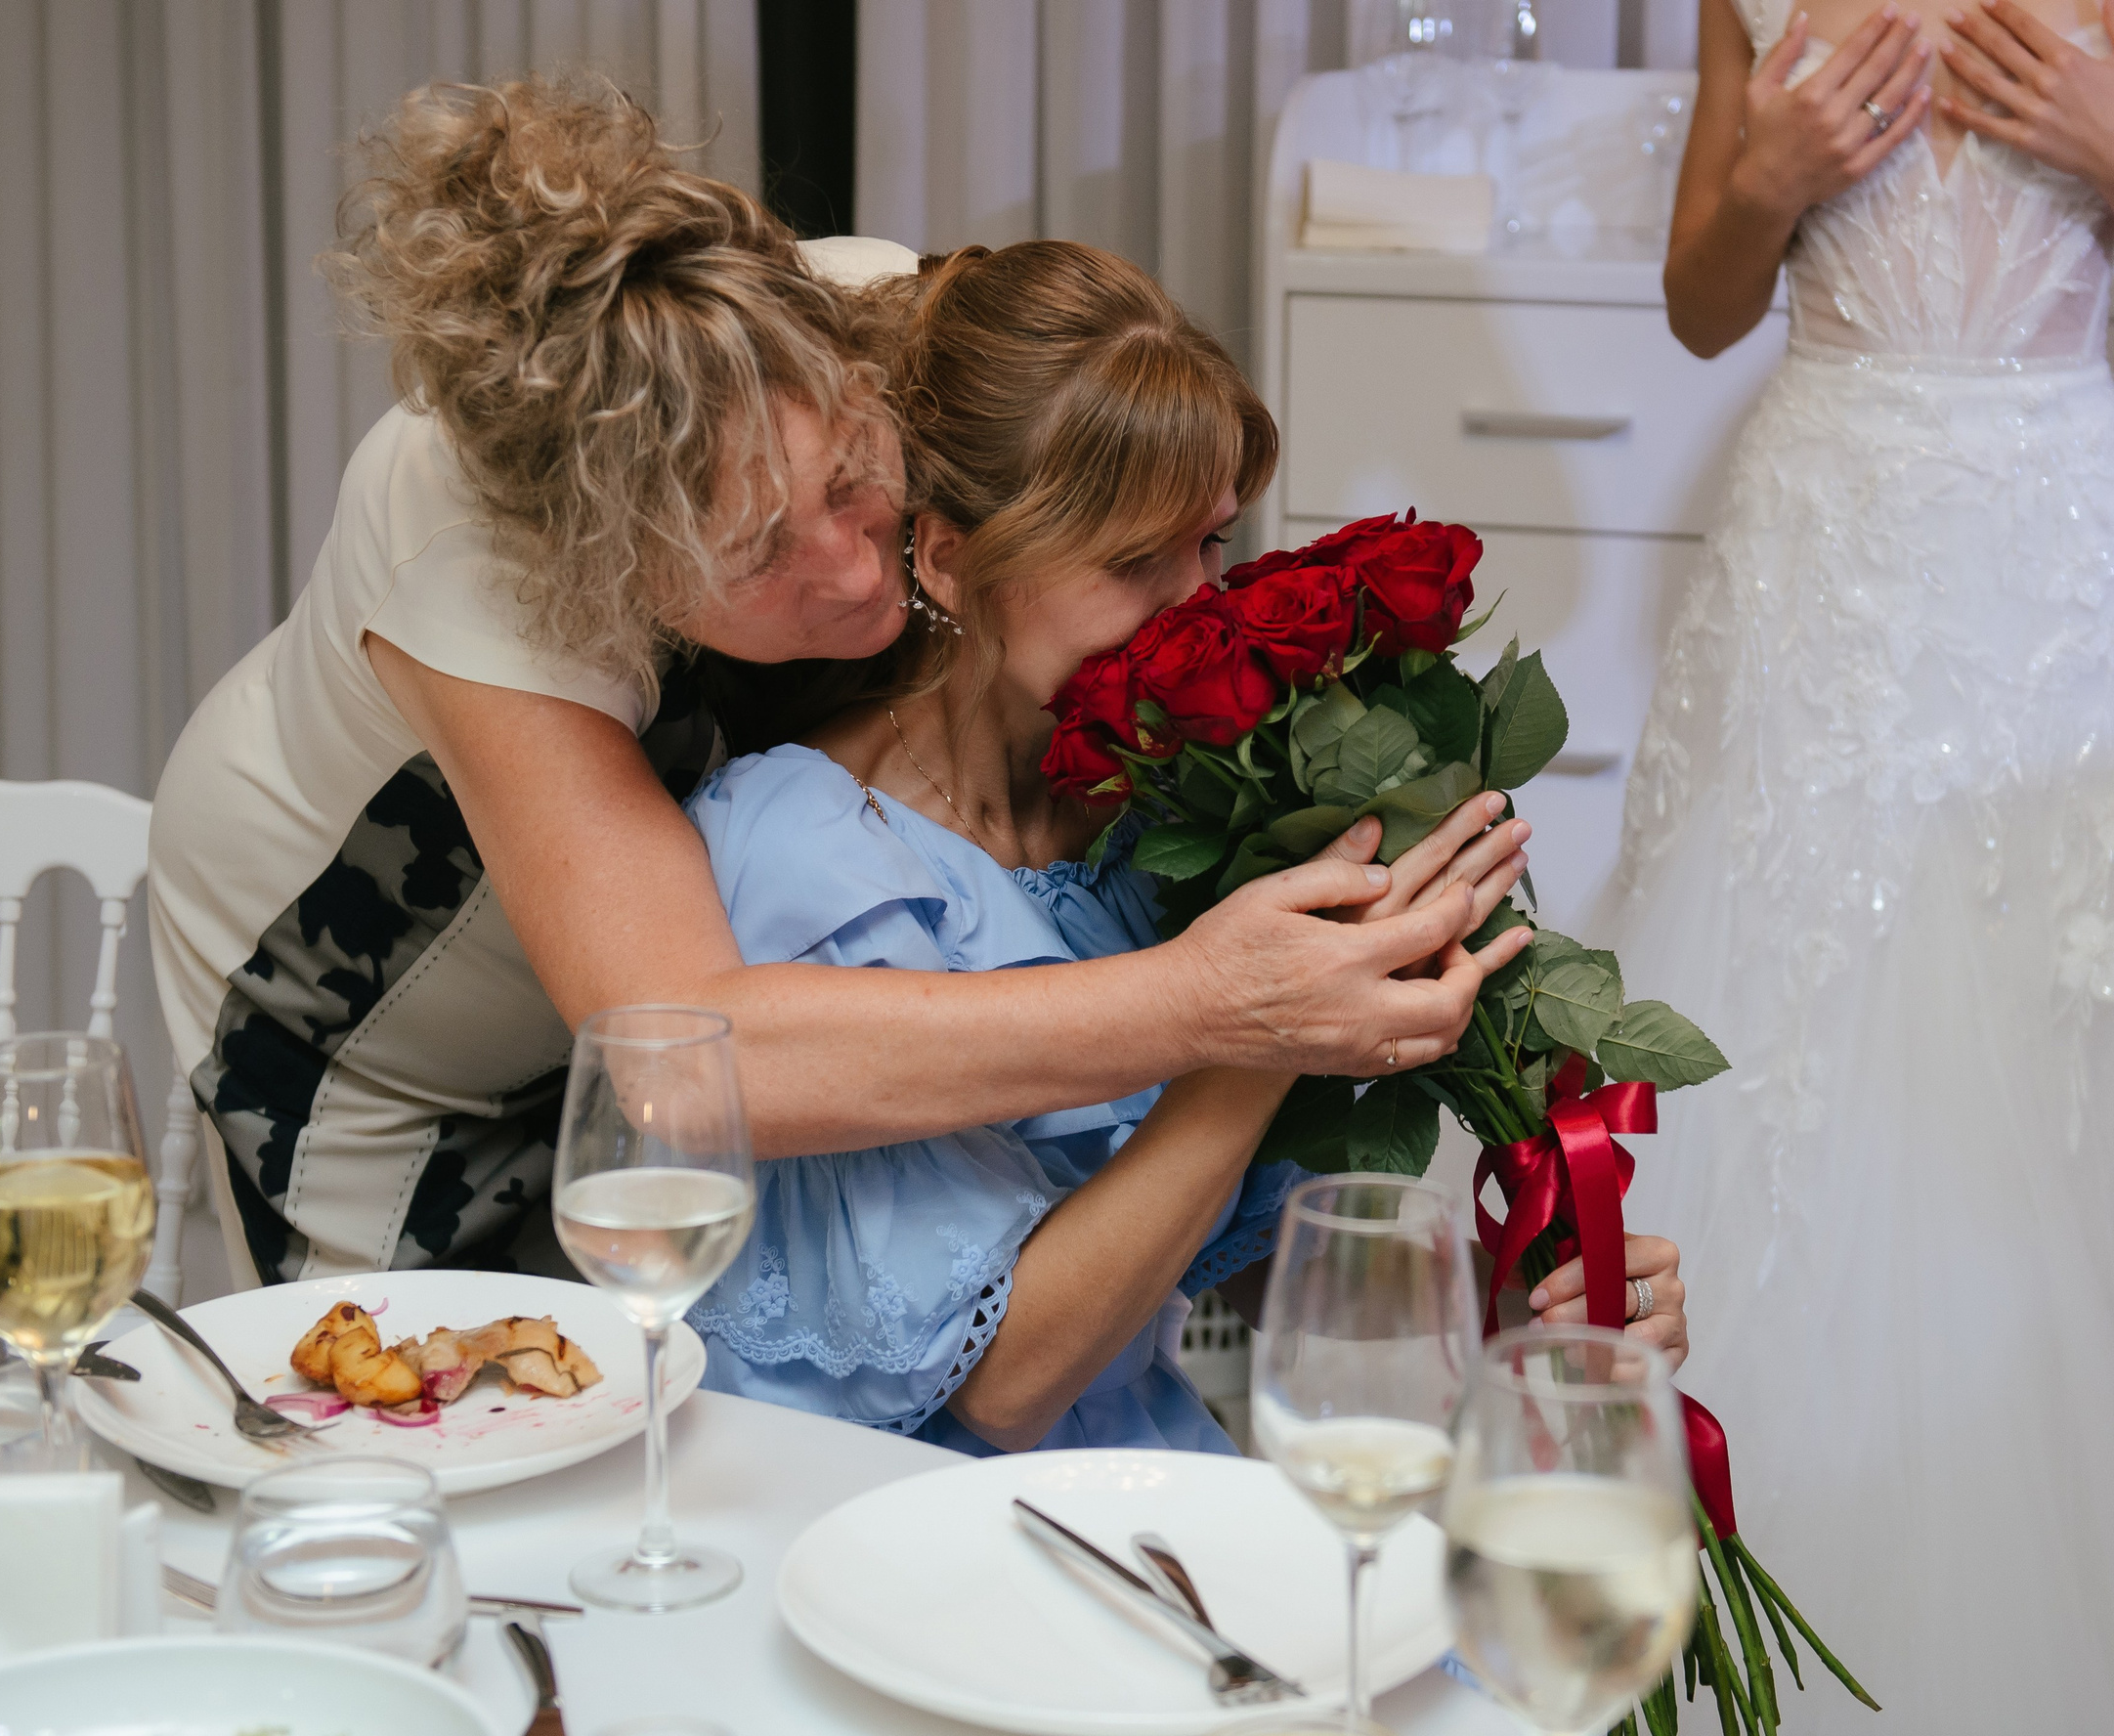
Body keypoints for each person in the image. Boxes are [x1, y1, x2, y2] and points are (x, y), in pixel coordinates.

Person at [146, 79, 1509, 1286]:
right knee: (446, 1426)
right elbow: (688, 1054)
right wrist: (1209, 1008)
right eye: (757, 556)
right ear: (607, 567)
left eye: (861, 489)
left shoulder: (856, 315)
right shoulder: (477, 555)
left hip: (670, 983)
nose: (867, 583)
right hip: (376, 1004)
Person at [685, 241, 1688, 1455]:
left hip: (1142, 1458)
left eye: (1209, 544)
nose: (1198, 605)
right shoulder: (813, 856)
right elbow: (1001, 1390)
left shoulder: (1161, 819)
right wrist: (1266, 1028)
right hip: (890, 1507)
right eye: (1130, 561)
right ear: (949, 554)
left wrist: (1526, 1320)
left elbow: (1234, 1272)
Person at [1602, 1, 2114, 1723]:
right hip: (1824, 565)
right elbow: (1699, 305)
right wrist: (1767, 176)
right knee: (1780, 1025)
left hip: (2062, 553)